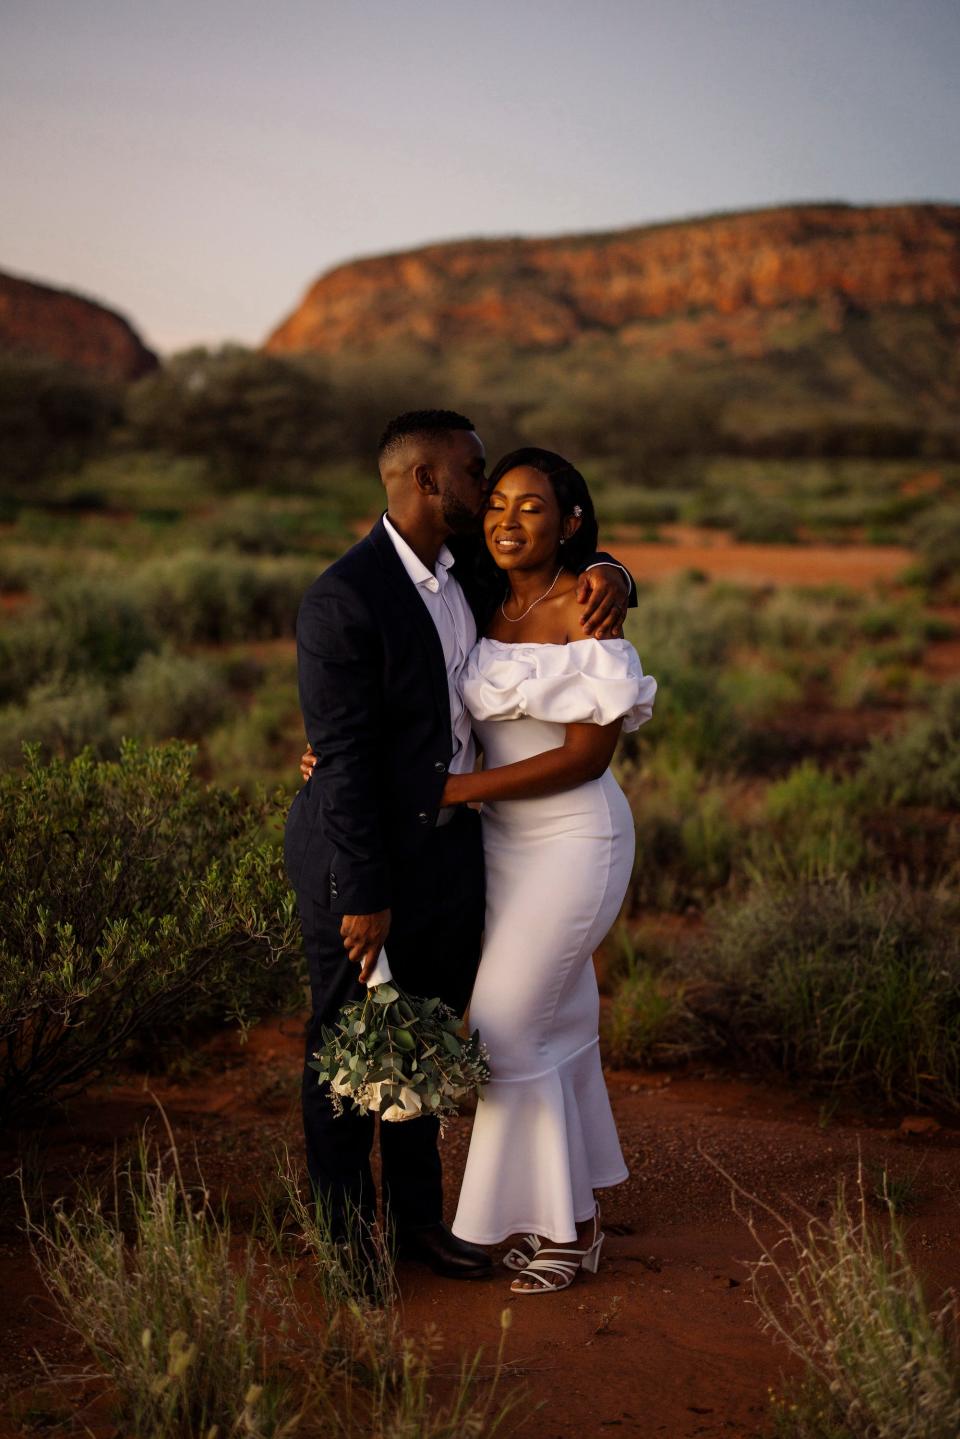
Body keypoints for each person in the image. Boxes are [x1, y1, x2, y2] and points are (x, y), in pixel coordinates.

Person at [286, 411, 634, 1281]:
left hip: (456, 852)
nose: (490, 499)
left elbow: (564, 569)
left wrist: (614, 570)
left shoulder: (468, 573)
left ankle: (417, 1228)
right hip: (361, 857)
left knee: (424, 1034)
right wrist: (364, 891)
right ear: (428, 481)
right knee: (346, 1050)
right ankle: (346, 1246)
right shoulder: (346, 595)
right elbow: (348, 751)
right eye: (477, 475)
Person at [435, 447, 657, 1294]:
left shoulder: (590, 609)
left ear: (570, 521)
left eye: (531, 507)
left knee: (498, 1027)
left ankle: (555, 1227)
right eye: (496, 504)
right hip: (500, 847)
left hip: (576, 840)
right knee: (556, 1030)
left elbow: (584, 757)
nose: (506, 520)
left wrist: (459, 788)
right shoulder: (479, 599)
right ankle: (578, 1223)